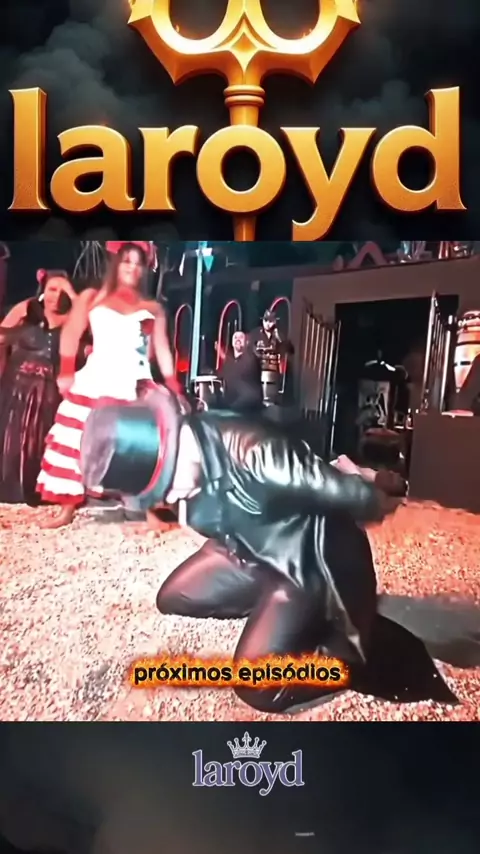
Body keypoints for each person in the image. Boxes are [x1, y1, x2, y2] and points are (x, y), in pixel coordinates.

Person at [79, 387, 456, 715]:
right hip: (248, 552)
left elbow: (353, 495)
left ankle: (313, 633)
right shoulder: (188, 472)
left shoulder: (258, 455)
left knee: (256, 685)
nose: (171, 495)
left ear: (178, 442)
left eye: (167, 481)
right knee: (173, 597)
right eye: (158, 489)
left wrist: (374, 488)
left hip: (304, 567)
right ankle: (270, 608)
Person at [36, 243, 182, 529]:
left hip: (132, 383)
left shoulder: (152, 309)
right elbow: (71, 333)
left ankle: (148, 510)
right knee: (75, 440)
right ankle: (67, 508)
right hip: (96, 378)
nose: (132, 267)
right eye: (127, 261)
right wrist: (66, 370)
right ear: (117, 264)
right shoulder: (93, 298)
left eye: (138, 263)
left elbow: (162, 350)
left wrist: (173, 384)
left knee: (137, 447)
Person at [0, 270, 77, 505]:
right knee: (14, 440)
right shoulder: (28, 308)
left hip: (48, 390)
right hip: (18, 385)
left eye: (63, 291)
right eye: (52, 289)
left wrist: (74, 296)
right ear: (43, 289)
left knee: (40, 441)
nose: (57, 296)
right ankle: (10, 491)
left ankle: (38, 492)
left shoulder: (73, 317)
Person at [218, 331, 263, 413]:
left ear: (247, 342)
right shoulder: (229, 361)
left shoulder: (251, 359)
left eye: (241, 337)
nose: (238, 339)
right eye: (235, 337)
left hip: (248, 408)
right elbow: (222, 376)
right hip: (231, 407)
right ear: (232, 343)